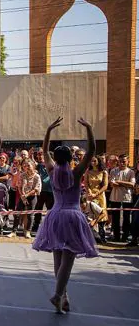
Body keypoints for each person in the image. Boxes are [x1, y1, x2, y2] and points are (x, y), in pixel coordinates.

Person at [32, 117, 98, 314]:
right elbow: (92, 151)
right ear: (70, 159)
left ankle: (63, 297)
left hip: (55, 215)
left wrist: (48, 131)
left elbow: (44, 151)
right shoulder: (76, 172)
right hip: (71, 215)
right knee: (67, 261)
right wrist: (88, 128)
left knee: (58, 259)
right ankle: (58, 294)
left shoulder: (51, 171)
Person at [108, 154, 135, 244]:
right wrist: (125, 184)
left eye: (124, 161)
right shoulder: (113, 171)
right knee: (115, 218)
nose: (122, 163)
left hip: (127, 197)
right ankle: (116, 236)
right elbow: (112, 184)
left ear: (128, 161)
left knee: (126, 218)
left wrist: (119, 182)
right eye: (120, 161)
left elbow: (132, 184)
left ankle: (125, 236)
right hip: (115, 197)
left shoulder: (131, 172)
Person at [84, 156, 108, 243]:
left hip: (100, 195)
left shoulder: (103, 172)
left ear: (98, 161)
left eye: (94, 161)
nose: (92, 162)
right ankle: (92, 236)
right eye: (91, 161)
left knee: (101, 215)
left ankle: (102, 237)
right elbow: (85, 183)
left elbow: (105, 186)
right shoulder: (88, 171)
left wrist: (96, 193)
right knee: (90, 215)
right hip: (90, 195)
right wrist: (89, 192)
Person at [18, 159, 41, 239]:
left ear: (33, 166)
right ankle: (14, 230)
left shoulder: (37, 176)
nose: (27, 167)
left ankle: (28, 231)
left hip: (32, 196)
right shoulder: (22, 175)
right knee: (18, 213)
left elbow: (36, 189)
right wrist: (22, 196)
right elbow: (19, 186)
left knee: (30, 215)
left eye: (29, 166)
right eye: (26, 166)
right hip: (22, 196)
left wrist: (27, 195)